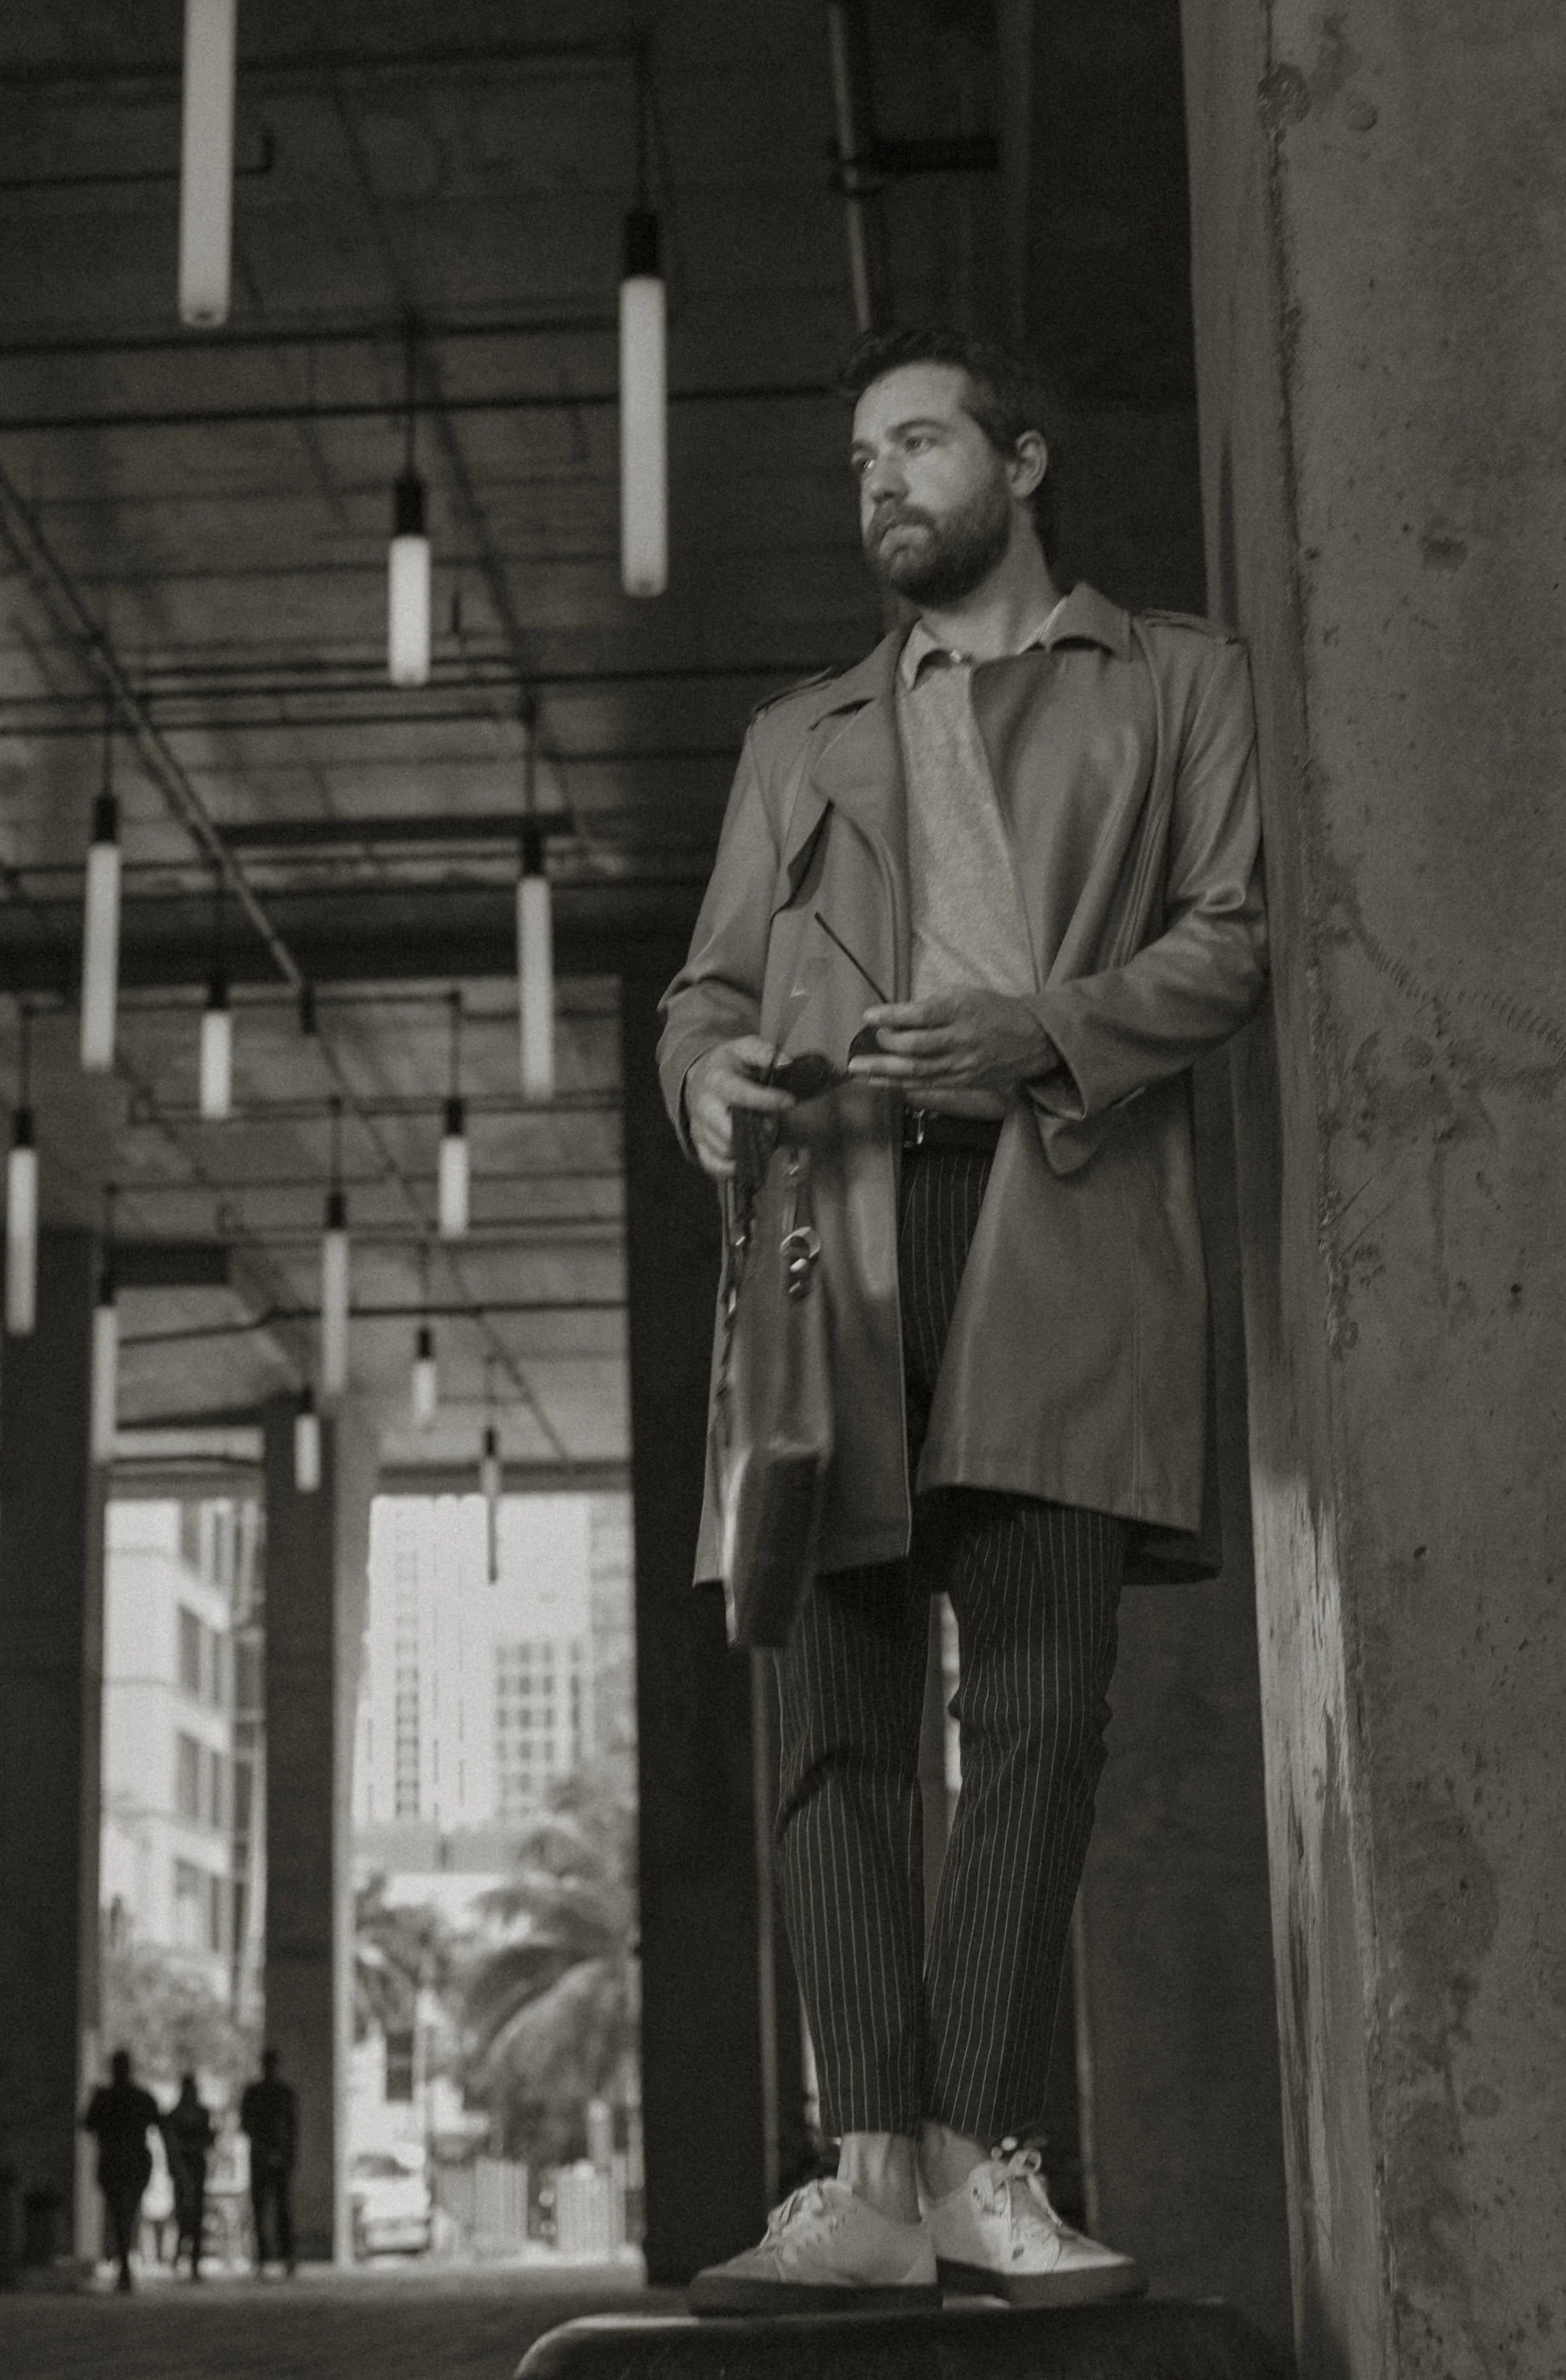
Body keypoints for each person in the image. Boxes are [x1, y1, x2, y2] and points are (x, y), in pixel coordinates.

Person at [663, 328, 1266, 2315]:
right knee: (830, 1716)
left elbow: (1237, 933)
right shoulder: (796, 737)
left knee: (1040, 1704)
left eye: (914, 443)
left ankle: (981, 2156)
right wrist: (711, 1081)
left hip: (1064, 1212)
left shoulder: (1174, 680)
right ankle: (863, 2173)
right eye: (855, 460)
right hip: (836, 1226)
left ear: (1024, 452)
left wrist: (1043, 1031)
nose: (877, 483)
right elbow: (699, 992)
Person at [79, 2050, 161, 2292]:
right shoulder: (138, 2097)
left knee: (119, 2213)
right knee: (126, 2213)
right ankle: (124, 2262)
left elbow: (87, 2124)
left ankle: (124, 2261)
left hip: (117, 2162)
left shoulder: (105, 2097)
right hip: (129, 2162)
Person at [239, 2047, 299, 2274]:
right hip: (268, 2156)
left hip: (270, 2157)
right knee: (269, 2208)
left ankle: (274, 2256)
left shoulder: (261, 2093)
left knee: (275, 2208)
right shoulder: (277, 2093)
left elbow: (292, 2128)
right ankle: (274, 2256)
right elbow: (291, 2129)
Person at [162, 2070, 216, 2279]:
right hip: (181, 2167)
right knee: (182, 2212)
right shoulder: (175, 2115)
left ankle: (192, 2259)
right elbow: (172, 2145)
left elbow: (207, 2140)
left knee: (196, 2213)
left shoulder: (202, 2114)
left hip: (195, 2167)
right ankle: (181, 2255)